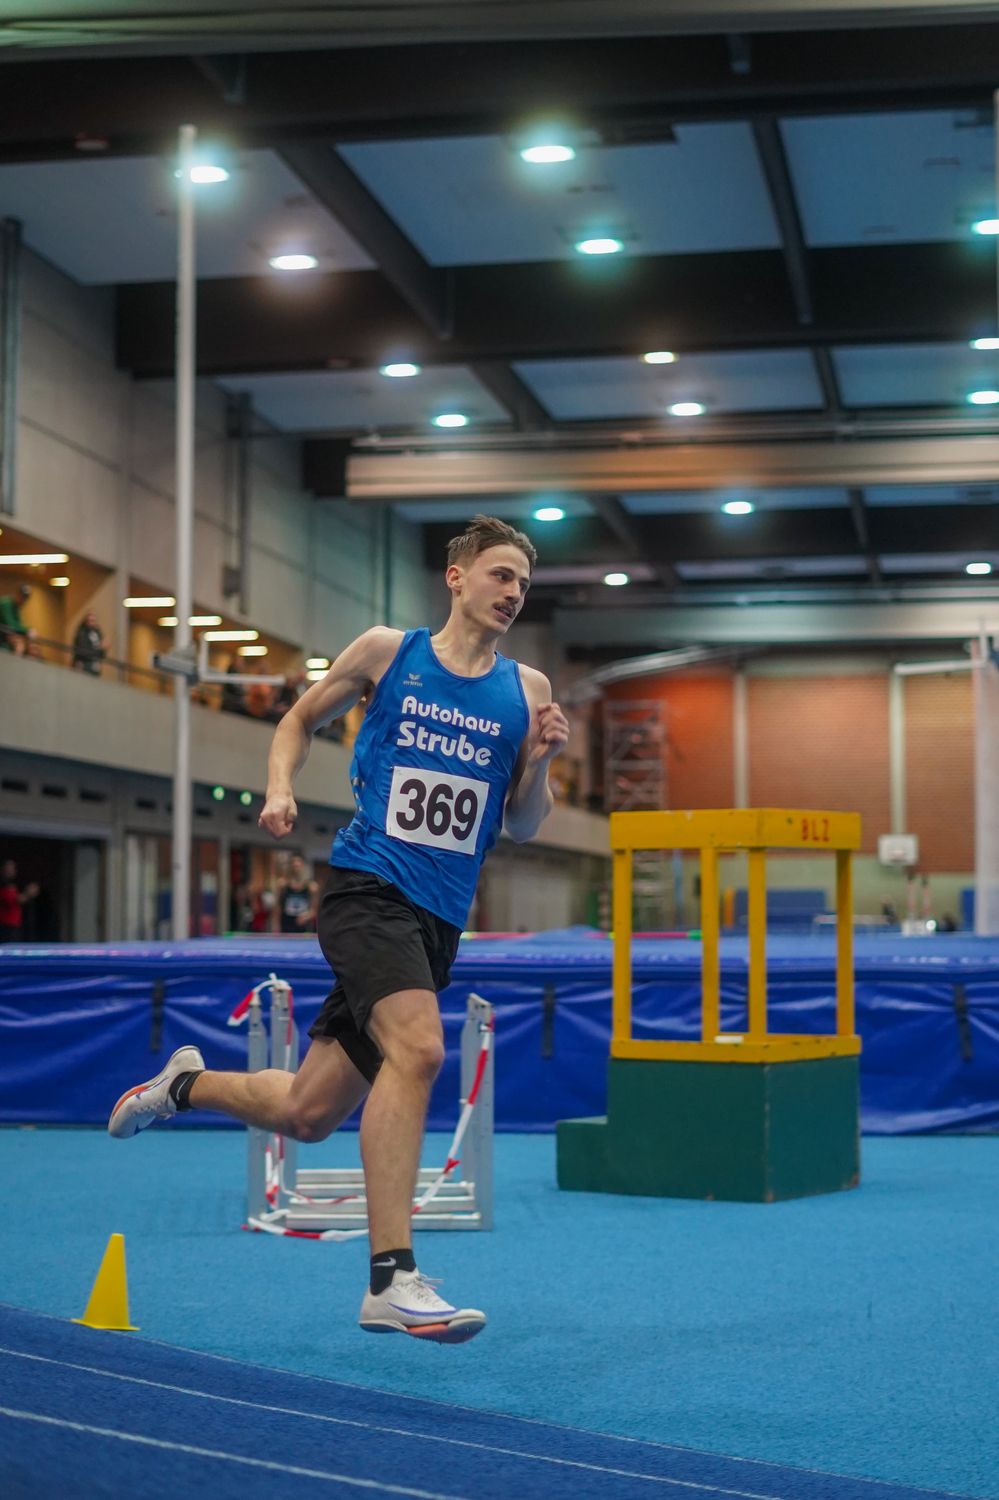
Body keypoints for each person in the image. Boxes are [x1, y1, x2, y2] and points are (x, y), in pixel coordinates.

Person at [108, 515, 569, 1343]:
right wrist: (279, 788)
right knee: (419, 1049)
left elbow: (524, 822)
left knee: (307, 1112)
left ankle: (182, 1086)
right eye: (501, 575)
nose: (513, 593)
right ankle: (391, 1278)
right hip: (368, 889)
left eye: (524, 585)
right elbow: (295, 721)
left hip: (438, 920)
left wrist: (538, 763)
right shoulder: (390, 652)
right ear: (456, 576)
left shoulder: (527, 691)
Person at [0, 860, 39, 943]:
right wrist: (28, 893)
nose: (10, 871)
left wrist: (30, 893)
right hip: (5, 925)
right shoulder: (3, 884)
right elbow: (15, 900)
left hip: (16, 924)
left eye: (12, 869)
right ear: (2, 870)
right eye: (7, 869)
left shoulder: (16, 883)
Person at [277, 854, 319, 933]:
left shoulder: (312, 887)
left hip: (303, 925)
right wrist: (276, 926)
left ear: (303, 866)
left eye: (298, 863)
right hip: (286, 924)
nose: (296, 865)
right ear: (290, 866)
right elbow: (277, 908)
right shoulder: (282, 885)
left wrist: (306, 916)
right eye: (293, 863)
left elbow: (315, 910)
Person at [0, 583, 31, 652]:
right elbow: (10, 624)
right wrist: (27, 630)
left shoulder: (16, 608)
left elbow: (18, 624)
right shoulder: (6, 603)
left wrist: (25, 631)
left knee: (19, 643)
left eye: (25, 598)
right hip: (2, 636)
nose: (23, 600)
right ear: (17, 594)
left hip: (4, 637)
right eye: (22, 597)